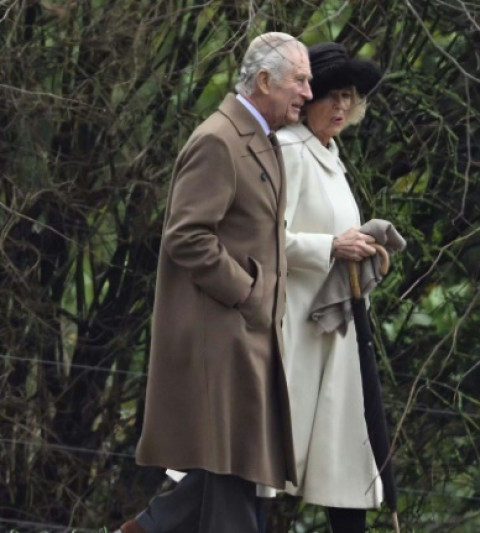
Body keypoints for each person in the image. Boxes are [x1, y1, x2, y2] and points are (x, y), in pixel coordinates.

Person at [115, 32, 312, 533]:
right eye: (301, 80)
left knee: (233, 476)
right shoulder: (218, 140)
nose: (309, 93)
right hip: (220, 341)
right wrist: (247, 293)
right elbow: (186, 236)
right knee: (231, 480)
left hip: (243, 338)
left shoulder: (258, 138)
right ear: (265, 80)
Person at [272, 41, 390, 533]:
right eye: (332, 95)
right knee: (268, 465)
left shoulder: (332, 157)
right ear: (309, 97)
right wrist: (331, 248)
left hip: (335, 331)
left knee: (345, 460)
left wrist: (366, 249)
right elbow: (268, 238)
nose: (342, 106)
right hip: (294, 333)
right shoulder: (289, 150)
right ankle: (157, 522)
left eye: (350, 96)